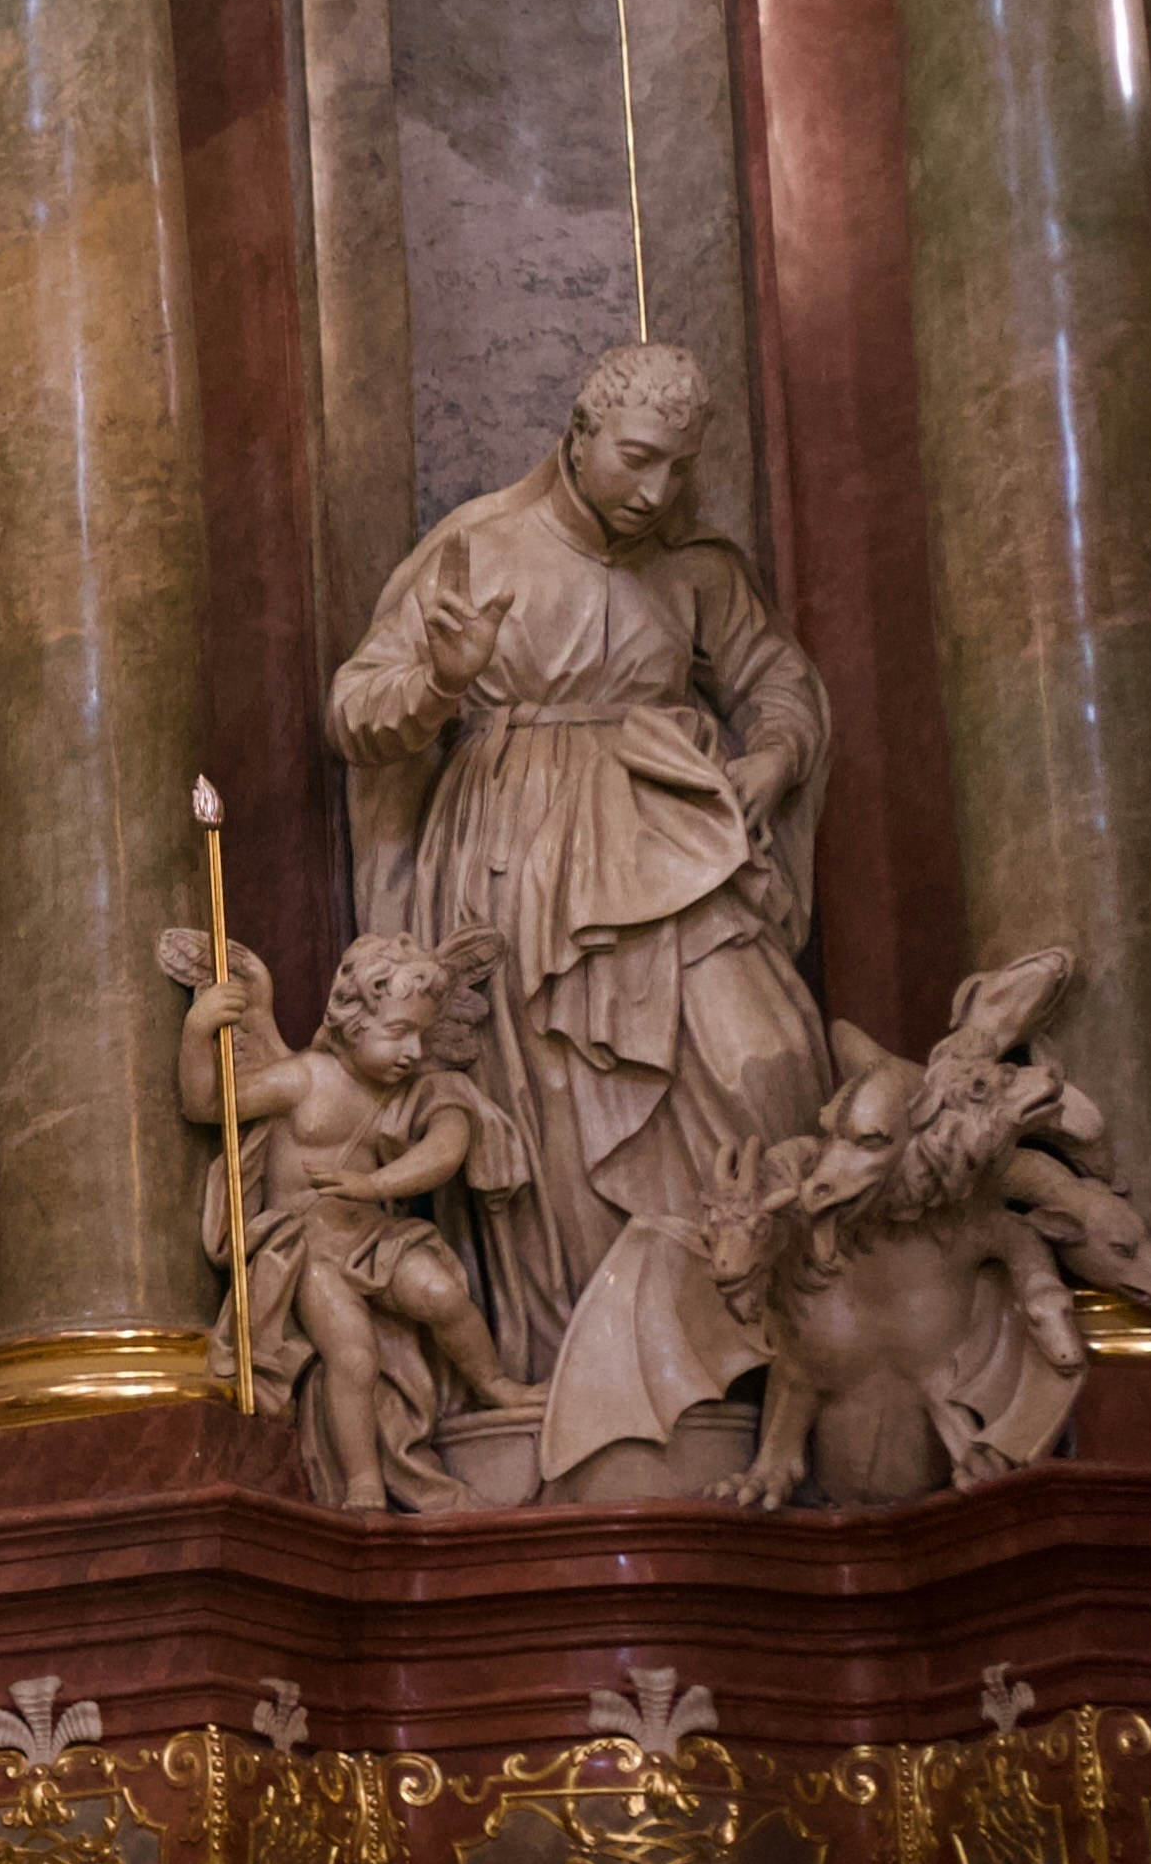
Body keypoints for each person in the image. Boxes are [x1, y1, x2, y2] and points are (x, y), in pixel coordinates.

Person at [328, 340, 835, 1375]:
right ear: (576, 435)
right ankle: (585, 1370)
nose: (655, 491)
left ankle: (746, 1349)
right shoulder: (479, 546)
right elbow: (354, 711)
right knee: (559, 1119)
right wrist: (436, 679)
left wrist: (775, 756)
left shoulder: (694, 570)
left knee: (766, 1058)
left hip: (678, 843)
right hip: (524, 859)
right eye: (636, 458)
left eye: (677, 468)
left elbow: (776, 677)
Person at [167, 929, 542, 1514]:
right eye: (399, 1033)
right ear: (350, 1021)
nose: (414, 1052)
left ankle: (493, 1383)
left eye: (421, 1034)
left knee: (444, 1293)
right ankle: (364, 1481)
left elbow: (444, 1151)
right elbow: (208, 1105)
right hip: (310, 1252)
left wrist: (373, 1186)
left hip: (372, 1236)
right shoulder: (303, 1079)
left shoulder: (407, 1094)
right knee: (353, 1352)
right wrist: (197, 1032)